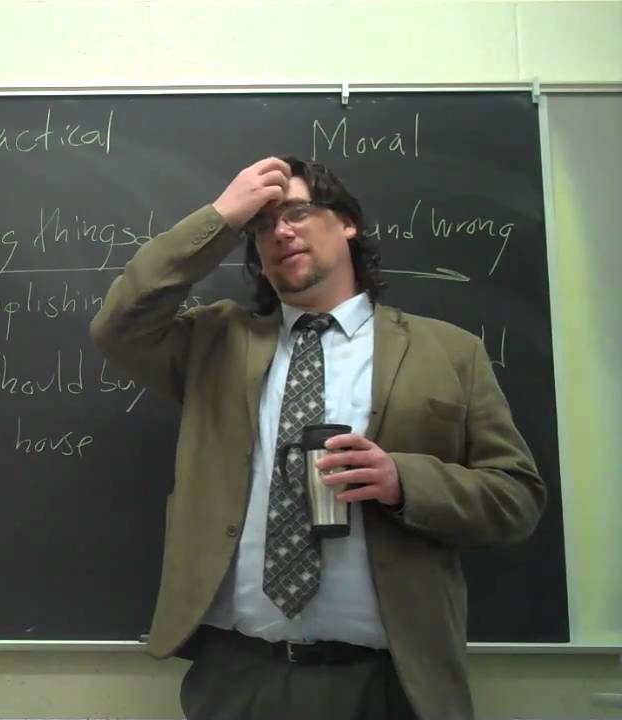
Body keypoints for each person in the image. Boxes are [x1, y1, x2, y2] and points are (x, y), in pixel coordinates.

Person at [89, 156, 545, 720]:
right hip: (238, 677)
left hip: (390, 683)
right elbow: (118, 325)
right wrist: (221, 218)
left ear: (347, 222)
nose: (279, 232)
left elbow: (517, 498)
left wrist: (405, 482)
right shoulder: (215, 343)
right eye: (261, 225)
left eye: (298, 213)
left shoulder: (449, 353)